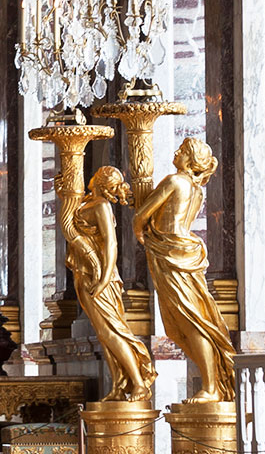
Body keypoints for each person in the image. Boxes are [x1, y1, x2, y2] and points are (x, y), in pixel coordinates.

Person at [133, 139, 234, 402]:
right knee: (187, 322)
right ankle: (212, 383)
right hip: (185, 250)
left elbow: (141, 215)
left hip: (170, 253)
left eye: (181, 151)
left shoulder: (174, 181)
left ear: (189, 159)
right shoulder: (197, 190)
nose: (175, 153)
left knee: (190, 321)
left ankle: (211, 387)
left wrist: (141, 233)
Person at [68, 166, 153, 402]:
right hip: (84, 274)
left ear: (100, 181)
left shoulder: (102, 206)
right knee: (103, 334)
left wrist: (105, 278)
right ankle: (118, 384)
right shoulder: (86, 203)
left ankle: (138, 383)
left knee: (113, 330)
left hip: (100, 276)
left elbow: (111, 244)